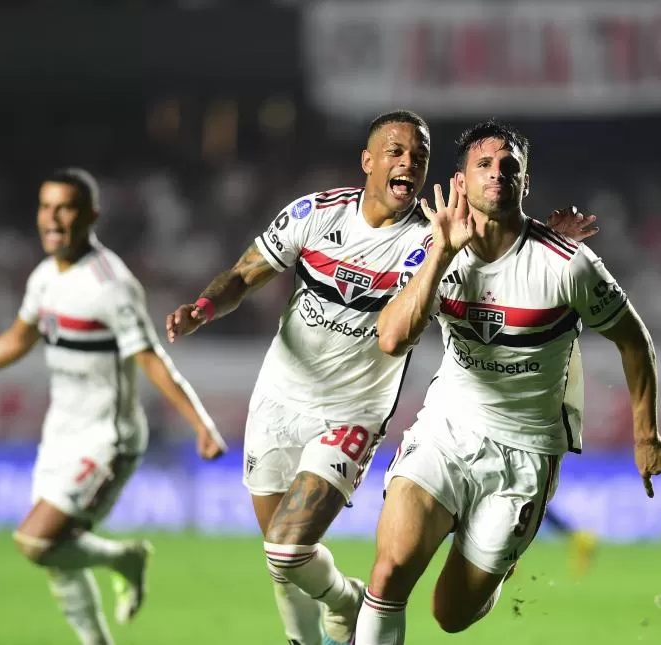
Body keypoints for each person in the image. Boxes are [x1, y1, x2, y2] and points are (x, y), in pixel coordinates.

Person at [165, 111, 599, 645]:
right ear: (368, 162)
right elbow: (242, 275)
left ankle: (348, 604)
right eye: (395, 152)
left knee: (286, 547)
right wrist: (205, 307)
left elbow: (499, 247)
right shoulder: (315, 214)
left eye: (419, 156)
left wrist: (548, 241)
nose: (408, 163)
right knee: (281, 560)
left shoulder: (434, 240)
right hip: (276, 400)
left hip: (351, 415)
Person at [354, 120, 661, 644]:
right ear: (459, 182)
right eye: (484, 165)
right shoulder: (429, 247)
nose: (498, 173)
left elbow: (633, 339)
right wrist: (440, 253)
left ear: (525, 183)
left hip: (525, 454)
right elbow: (390, 338)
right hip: (446, 432)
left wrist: (645, 434)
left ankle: (496, 562)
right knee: (389, 573)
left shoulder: (567, 265)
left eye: (510, 166)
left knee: (450, 614)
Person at [0, 169, 226, 645]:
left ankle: (125, 558)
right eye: (46, 207)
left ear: (91, 216)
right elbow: (19, 339)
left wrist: (200, 424)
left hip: (109, 438)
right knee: (59, 561)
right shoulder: (44, 277)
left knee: (36, 541)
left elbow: (152, 359)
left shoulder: (111, 286)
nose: (53, 218)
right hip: (60, 431)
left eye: (65, 208)